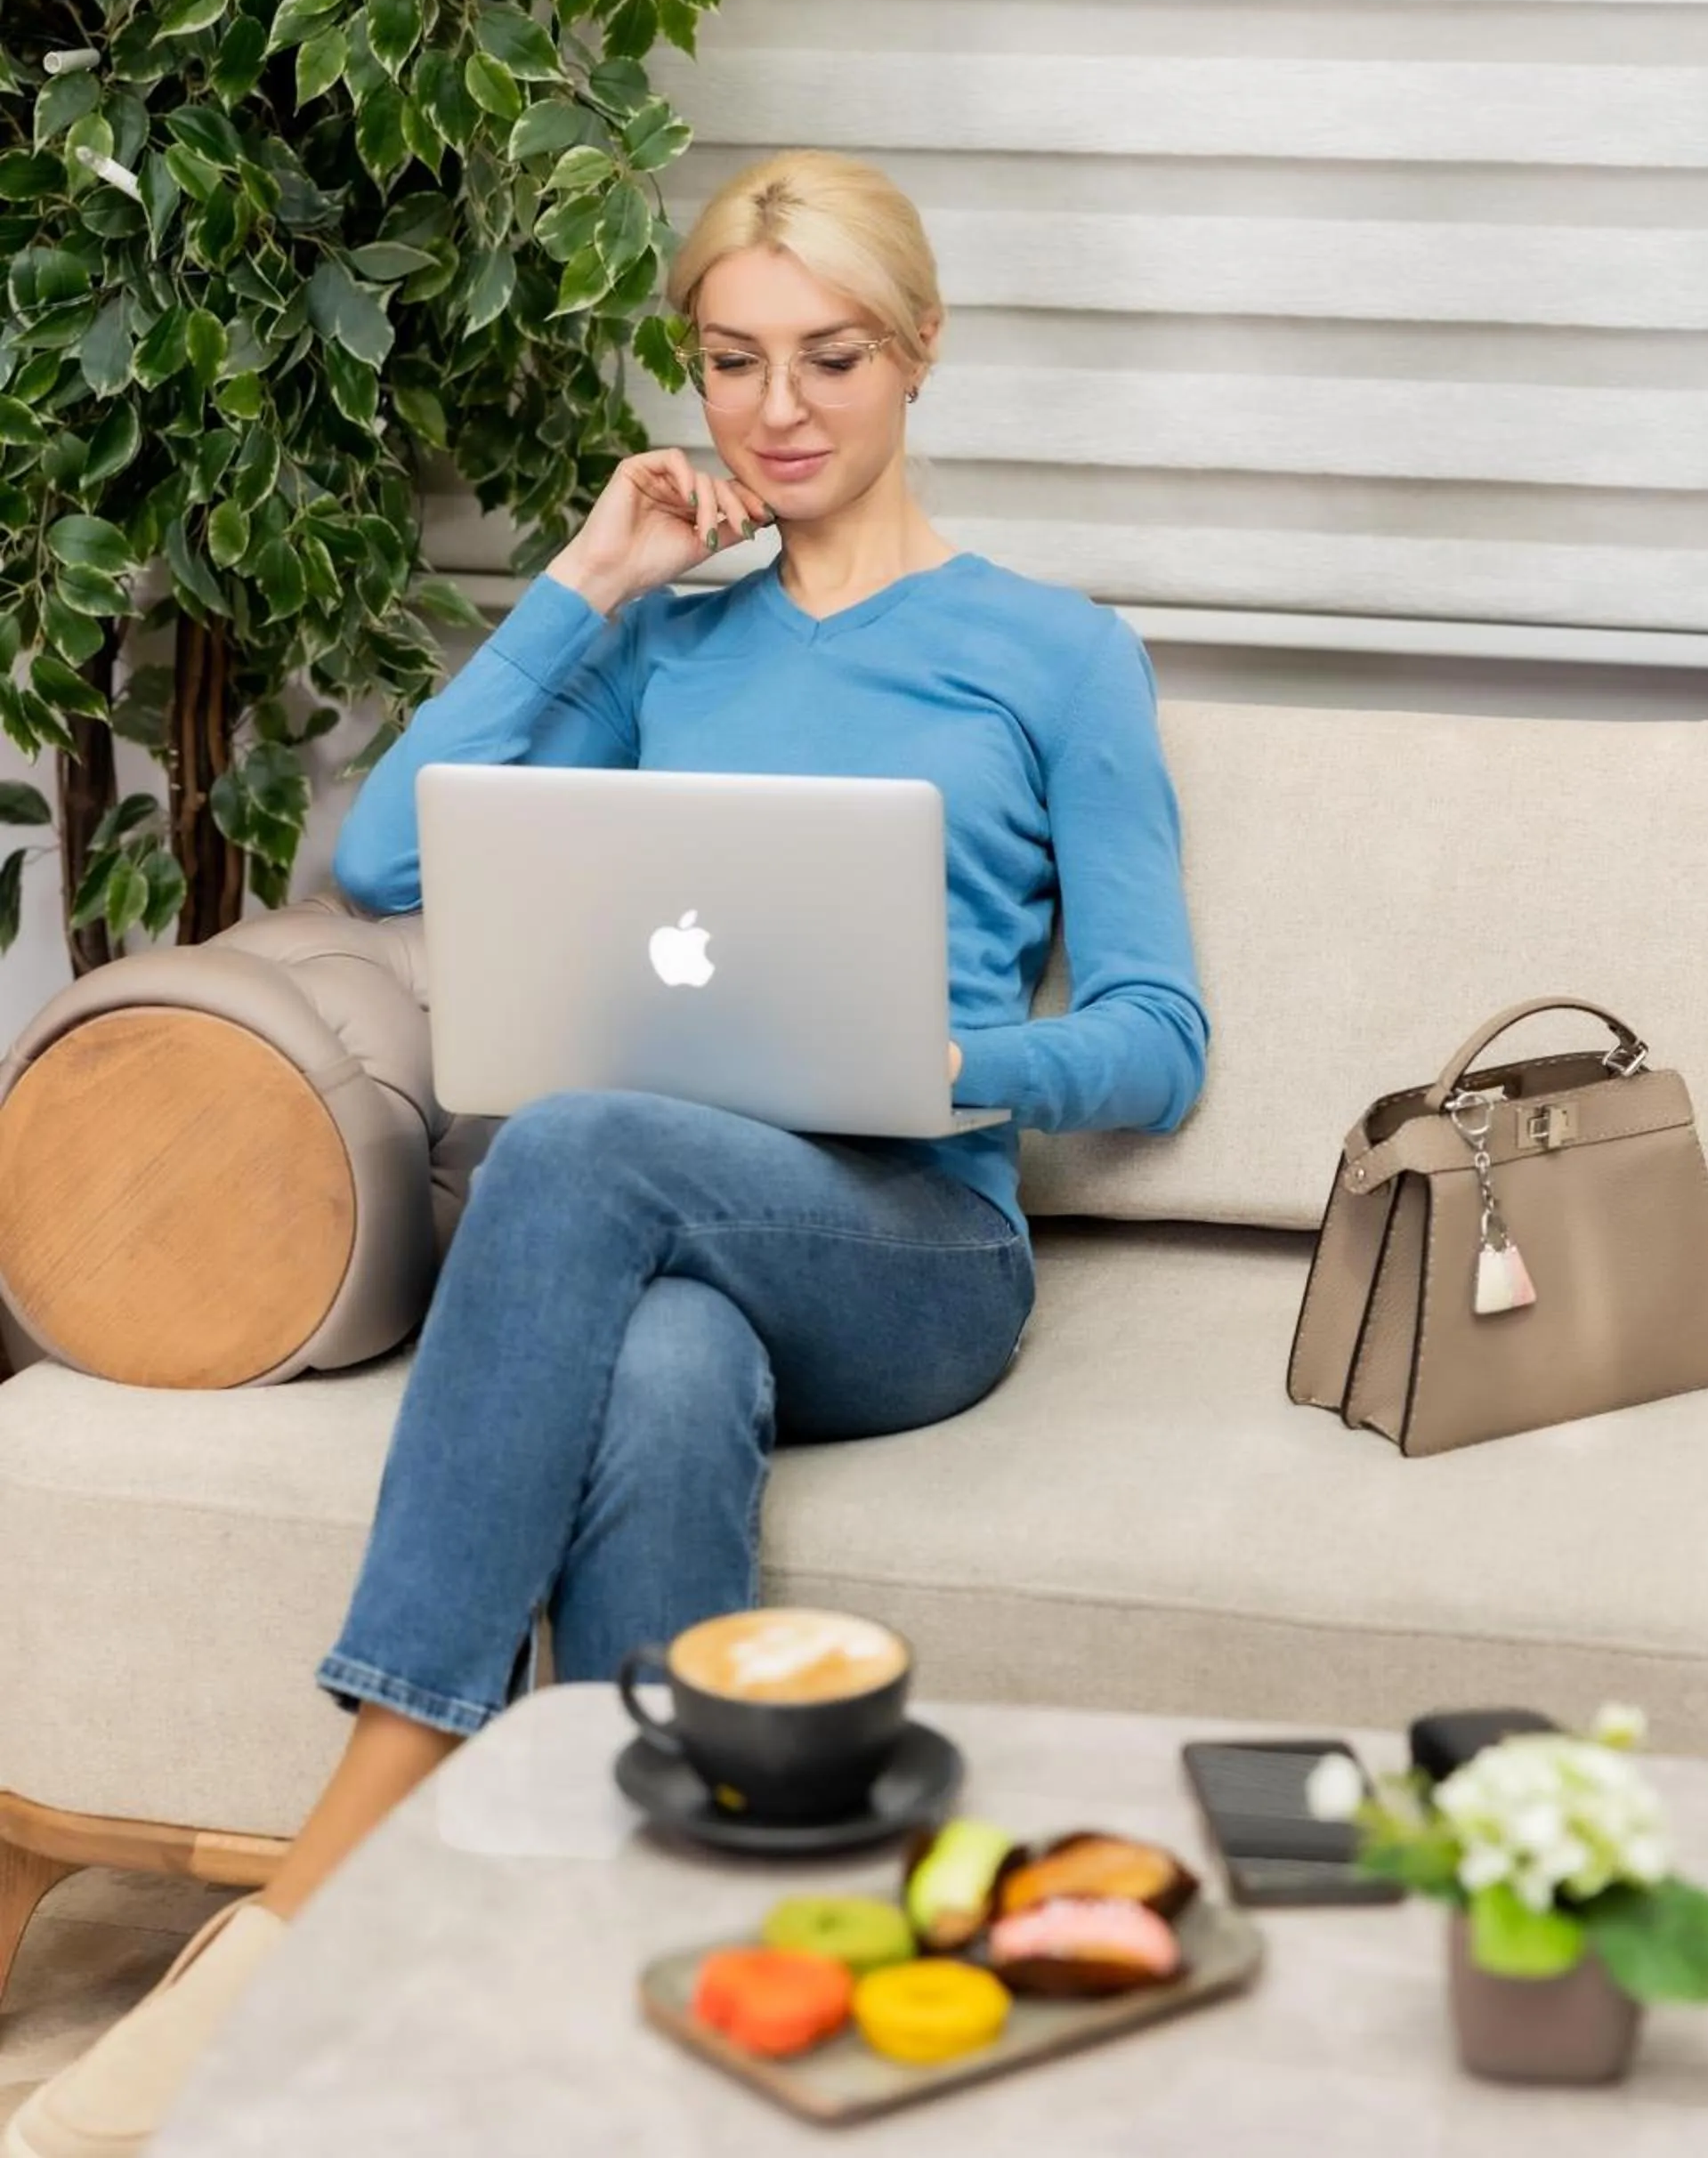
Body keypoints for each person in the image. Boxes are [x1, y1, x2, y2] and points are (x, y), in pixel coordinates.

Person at [2, 150, 1208, 2158]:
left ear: (918, 356)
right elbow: (387, 863)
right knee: (654, 1362)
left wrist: (942, 1056)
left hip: (909, 1245)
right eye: (732, 362)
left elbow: (1158, 1042)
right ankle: (661, 1997)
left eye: (829, 356)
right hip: (663, 1244)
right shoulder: (671, 642)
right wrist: (593, 577)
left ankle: (332, 1875)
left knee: (566, 1146)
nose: (779, 408)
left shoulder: (1053, 651)